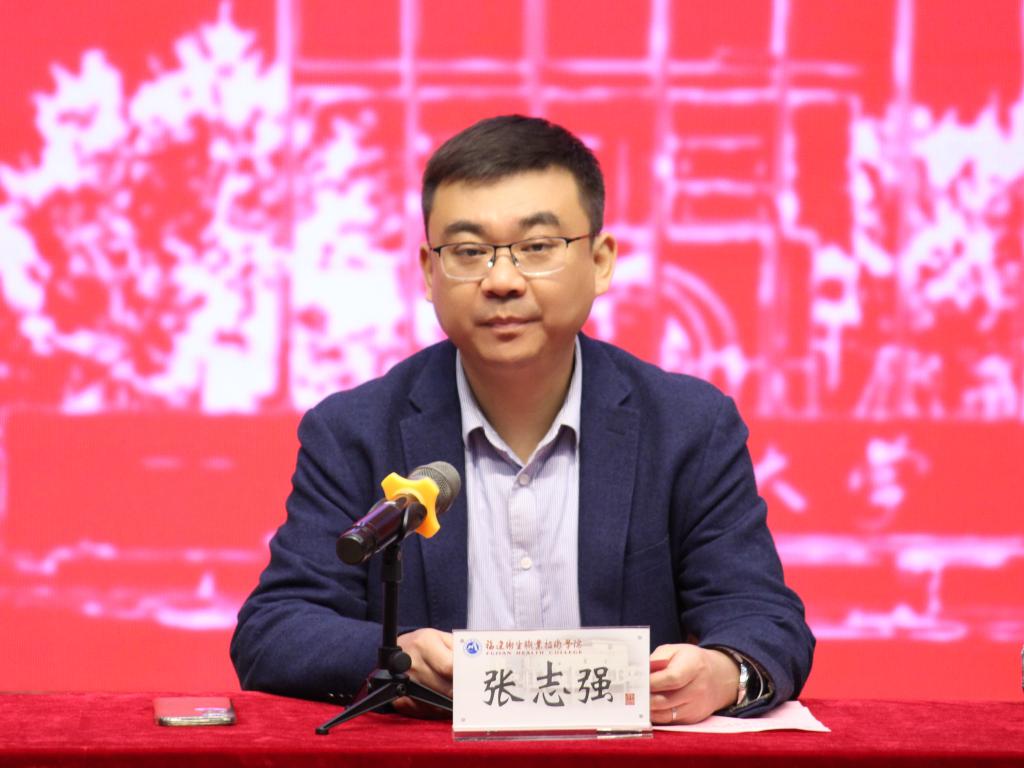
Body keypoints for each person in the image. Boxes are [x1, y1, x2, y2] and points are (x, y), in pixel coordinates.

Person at [231, 115, 814, 724]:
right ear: (429, 272)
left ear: (601, 261)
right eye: (469, 252)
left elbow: (763, 618)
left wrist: (724, 672)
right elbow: (274, 629)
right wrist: (394, 658)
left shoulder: (688, 426)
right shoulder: (354, 431)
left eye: (537, 247)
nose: (503, 281)